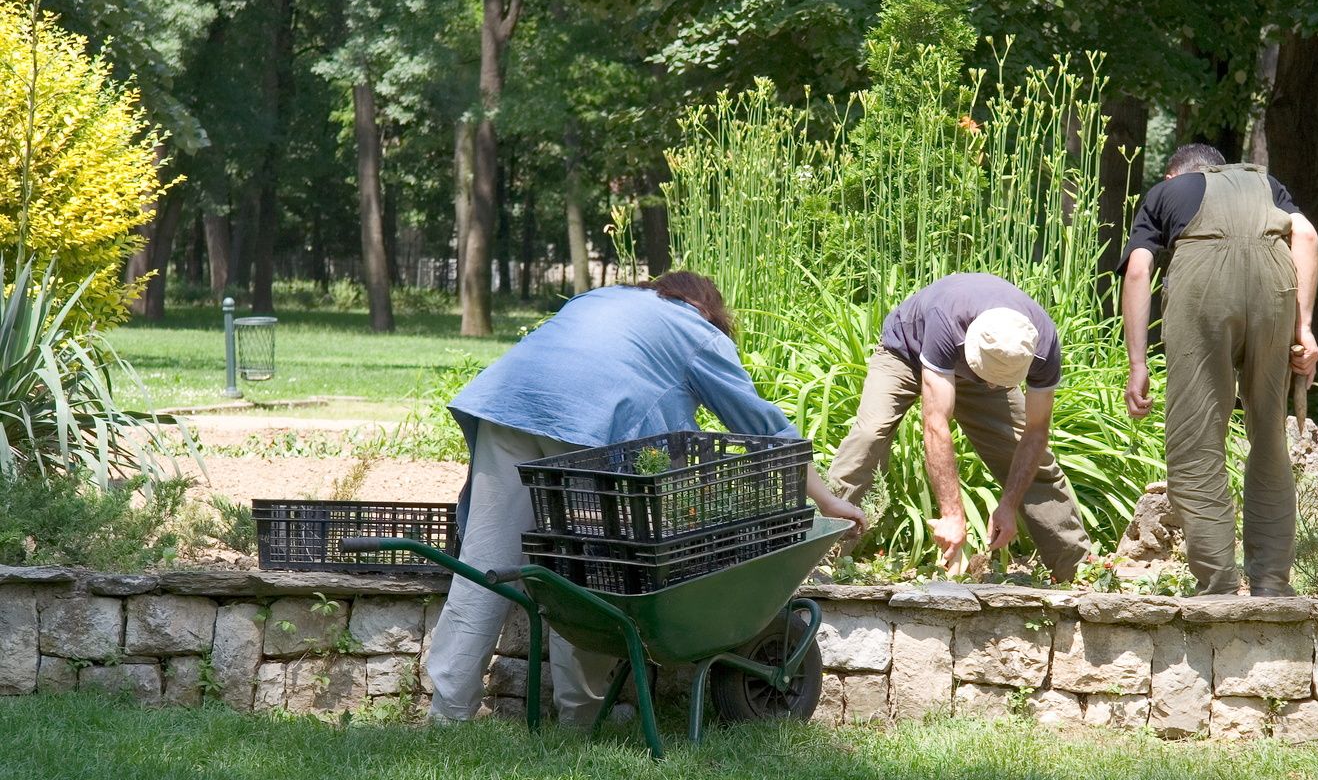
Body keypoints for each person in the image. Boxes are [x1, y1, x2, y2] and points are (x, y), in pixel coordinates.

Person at [428, 271, 865, 725]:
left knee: (483, 566)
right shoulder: (697, 332)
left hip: (507, 407)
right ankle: (579, 720)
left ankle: (447, 712)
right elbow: (763, 427)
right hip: (585, 426)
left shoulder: (601, 297)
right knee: (588, 574)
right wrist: (828, 501)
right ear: (705, 308)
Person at [1119, 144, 1318, 597]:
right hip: (1275, 283)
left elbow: (1138, 269)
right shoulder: (1265, 183)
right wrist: (1304, 327)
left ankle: (1218, 583)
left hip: (1203, 284)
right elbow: (1305, 236)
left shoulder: (1166, 193)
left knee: (1195, 438)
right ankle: (1271, 581)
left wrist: (1137, 364)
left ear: (1177, 176)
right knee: (1269, 434)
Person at [827, 272, 1090, 580]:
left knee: (1030, 457)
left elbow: (1035, 432)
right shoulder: (948, 321)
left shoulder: (1042, 343)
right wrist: (952, 515)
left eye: (999, 379)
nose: (992, 383)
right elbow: (936, 423)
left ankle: (1080, 571)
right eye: (989, 375)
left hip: (975, 364)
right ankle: (819, 558)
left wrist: (1009, 504)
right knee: (869, 436)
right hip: (905, 353)